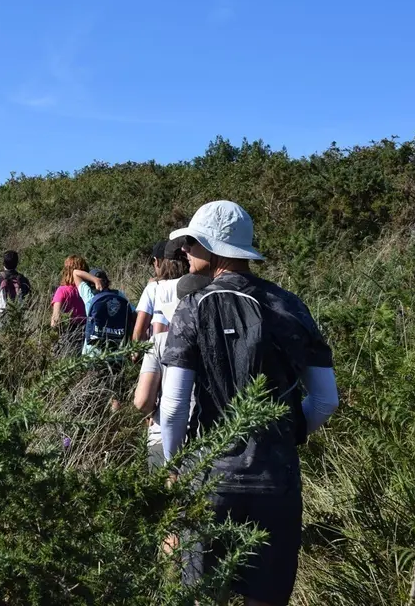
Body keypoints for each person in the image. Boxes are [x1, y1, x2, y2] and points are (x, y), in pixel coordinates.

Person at [159, 201, 339, 606]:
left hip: (208, 479)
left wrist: (175, 470)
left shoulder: (192, 307)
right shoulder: (289, 305)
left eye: (192, 243)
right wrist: (284, 436)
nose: (185, 250)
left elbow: (173, 407)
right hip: (277, 480)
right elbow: (326, 399)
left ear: (215, 250)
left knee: (205, 595)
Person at [133, 272, 211, 467]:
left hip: (162, 437)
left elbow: (142, 401)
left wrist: (154, 411)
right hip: (211, 437)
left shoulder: (158, 342)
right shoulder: (221, 340)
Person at [132, 240, 191, 343]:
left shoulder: (154, 288)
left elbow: (139, 334)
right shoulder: (195, 285)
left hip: (161, 351)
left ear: (157, 261)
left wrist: (136, 355)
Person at [51, 255, 89, 354]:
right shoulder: (87, 291)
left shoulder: (62, 291)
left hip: (68, 334)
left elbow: (55, 319)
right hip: (87, 332)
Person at [0, 250, 31, 315]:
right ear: (17, 263)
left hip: (1, 312)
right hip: (19, 312)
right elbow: (28, 295)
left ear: (3, 263)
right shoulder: (22, 279)